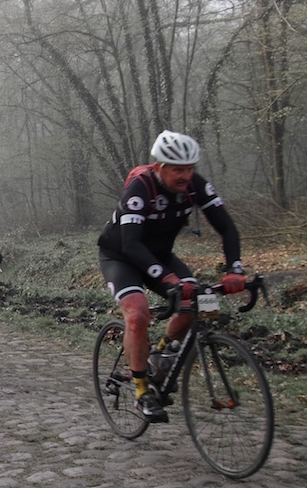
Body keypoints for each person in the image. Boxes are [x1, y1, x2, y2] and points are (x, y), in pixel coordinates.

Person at [97, 130, 246, 423]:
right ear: (159, 167)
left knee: (199, 305)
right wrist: (166, 279)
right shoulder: (140, 189)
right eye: (178, 169)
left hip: (161, 256)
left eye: (190, 168)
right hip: (121, 257)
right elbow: (131, 244)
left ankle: (160, 356)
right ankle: (142, 392)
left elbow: (227, 227)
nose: (185, 175)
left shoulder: (195, 185)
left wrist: (235, 269)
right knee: (138, 315)